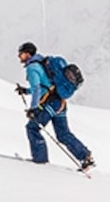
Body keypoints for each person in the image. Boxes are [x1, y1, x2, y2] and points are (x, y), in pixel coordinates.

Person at [14, 41, 93, 173]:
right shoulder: (42, 62)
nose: (19, 57)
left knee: (32, 128)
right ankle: (85, 157)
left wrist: (33, 109)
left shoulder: (32, 68)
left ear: (28, 54)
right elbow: (46, 85)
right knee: (63, 134)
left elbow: (37, 88)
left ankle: (40, 161)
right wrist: (26, 91)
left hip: (51, 103)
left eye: (21, 54)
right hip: (60, 102)